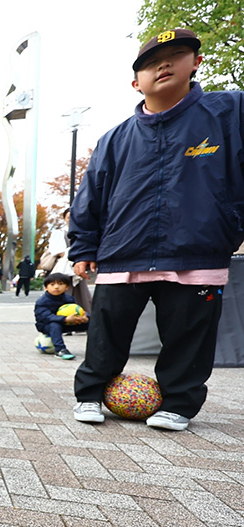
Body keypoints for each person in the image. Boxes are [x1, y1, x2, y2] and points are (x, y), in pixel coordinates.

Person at [69, 28, 244, 431]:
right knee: (106, 334)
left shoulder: (230, 112)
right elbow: (89, 197)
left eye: (176, 54)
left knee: (190, 337)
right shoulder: (114, 139)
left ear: (196, 62)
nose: (163, 65)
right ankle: (90, 394)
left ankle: (179, 404)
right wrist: (83, 247)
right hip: (122, 254)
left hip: (198, 253)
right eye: (150, 63)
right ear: (136, 82)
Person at [34, 272, 89, 360]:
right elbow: (46, 317)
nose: (56, 287)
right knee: (55, 324)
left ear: (67, 287)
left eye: (60, 284)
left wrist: (84, 317)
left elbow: (77, 310)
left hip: (67, 323)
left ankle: (95, 348)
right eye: (52, 284)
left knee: (91, 322)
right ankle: (60, 350)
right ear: (46, 287)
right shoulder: (42, 301)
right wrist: (65, 319)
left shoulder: (69, 298)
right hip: (46, 325)